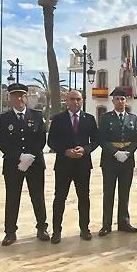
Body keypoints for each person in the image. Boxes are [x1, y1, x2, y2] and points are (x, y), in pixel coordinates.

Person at [0, 83, 49, 246]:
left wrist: (30, 157)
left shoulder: (37, 115)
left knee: (38, 197)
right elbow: (2, 142)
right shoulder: (4, 119)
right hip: (13, 164)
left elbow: (41, 139)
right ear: (10, 98)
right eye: (15, 96)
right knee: (12, 198)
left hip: (35, 163)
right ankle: (10, 232)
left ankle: (42, 228)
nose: (18, 99)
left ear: (26, 97)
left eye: (21, 96)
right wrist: (20, 156)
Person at [48, 90, 99, 244]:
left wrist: (85, 149)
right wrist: (65, 151)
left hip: (83, 165)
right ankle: (56, 231)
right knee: (59, 198)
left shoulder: (89, 119)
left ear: (82, 101)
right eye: (72, 99)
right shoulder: (58, 119)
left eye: (78, 99)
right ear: (66, 101)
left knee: (84, 198)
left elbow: (96, 140)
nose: (75, 102)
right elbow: (51, 141)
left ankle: (85, 229)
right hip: (64, 164)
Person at [98, 88, 137, 236]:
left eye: (123, 99)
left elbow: (136, 139)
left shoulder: (133, 118)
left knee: (124, 193)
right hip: (110, 160)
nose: (120, 102)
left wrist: (128, 152)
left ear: (126, 101)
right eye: (117, 99)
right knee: (108, 193)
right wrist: (115, 152)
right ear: (113, 101)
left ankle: (124, 222)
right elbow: (101, 139)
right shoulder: (105, 118)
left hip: (127, 161)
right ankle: (106, 225)